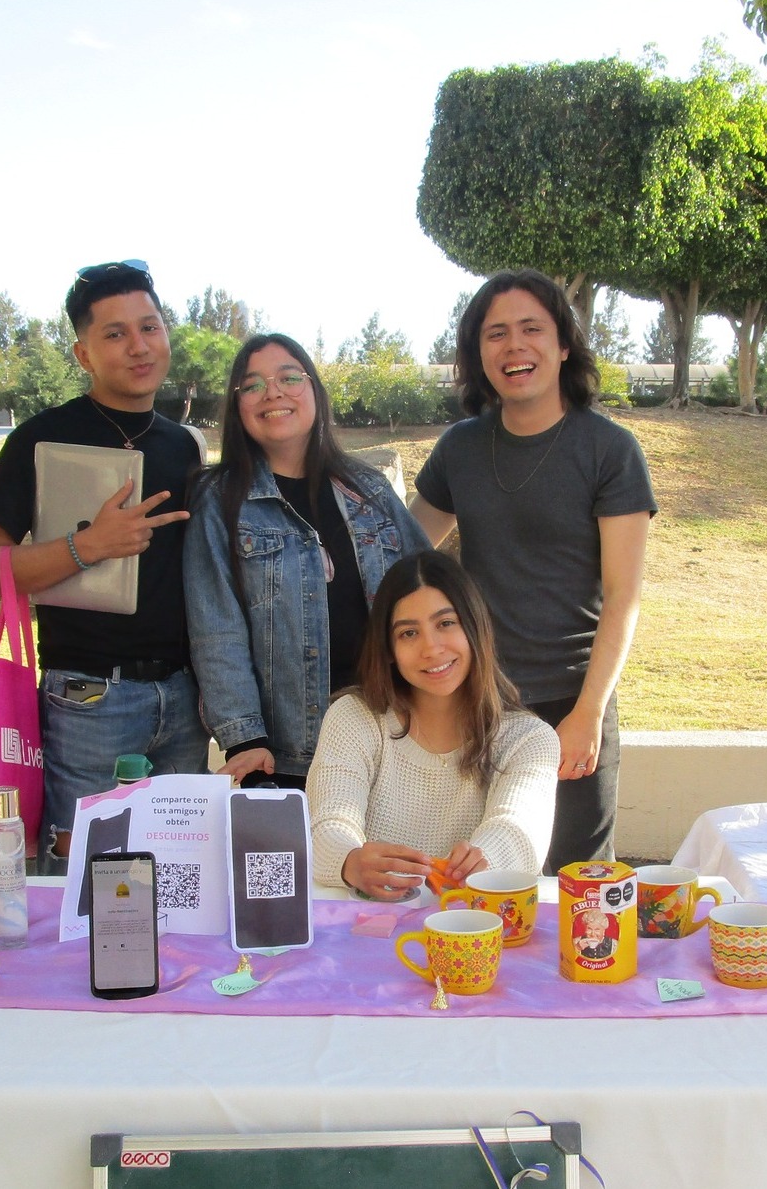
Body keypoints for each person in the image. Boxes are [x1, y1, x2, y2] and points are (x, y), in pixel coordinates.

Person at [411, 269, 656, 874]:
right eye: (495, 334)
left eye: (531, 329)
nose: (513, 346)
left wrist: (589, 712)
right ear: (477, 355)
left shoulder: (610, 451)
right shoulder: (459, 448)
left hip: (573, 699)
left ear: (563, 345)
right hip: (478, 701)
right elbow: (403, 555)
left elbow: (624, 597)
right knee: (481, 878)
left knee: (580, 886)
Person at [0, 260, 207, 873]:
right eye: (115, 334)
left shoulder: (184, 446)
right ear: (83, 354)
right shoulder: (40, 440)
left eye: (149, 327)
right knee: (84, 886)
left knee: (178, 877)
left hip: (183, 699)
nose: (138, 346)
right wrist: (86, 546)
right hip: (87, 699)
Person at [184, 332, 428, 790]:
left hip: (392, 736)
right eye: (252, 385)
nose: (272, 392)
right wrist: (244, 740)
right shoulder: (220, 503)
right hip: (286, 756)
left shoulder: (368, 490)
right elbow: (217, 632)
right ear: (238, 407)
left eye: (288, 377)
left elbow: (427, 593)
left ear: (314, 390)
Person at [307, 550, 557, 898]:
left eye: (445, 623)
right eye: (409, 633)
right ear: (389, 649)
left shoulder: (530, 739)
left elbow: (518, 831)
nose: (431, 648)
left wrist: (483, 863)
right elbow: (329, 823)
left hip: (476, 931)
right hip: (370, 932)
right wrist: (349, 860)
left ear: (475, 627)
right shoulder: (353, 718)